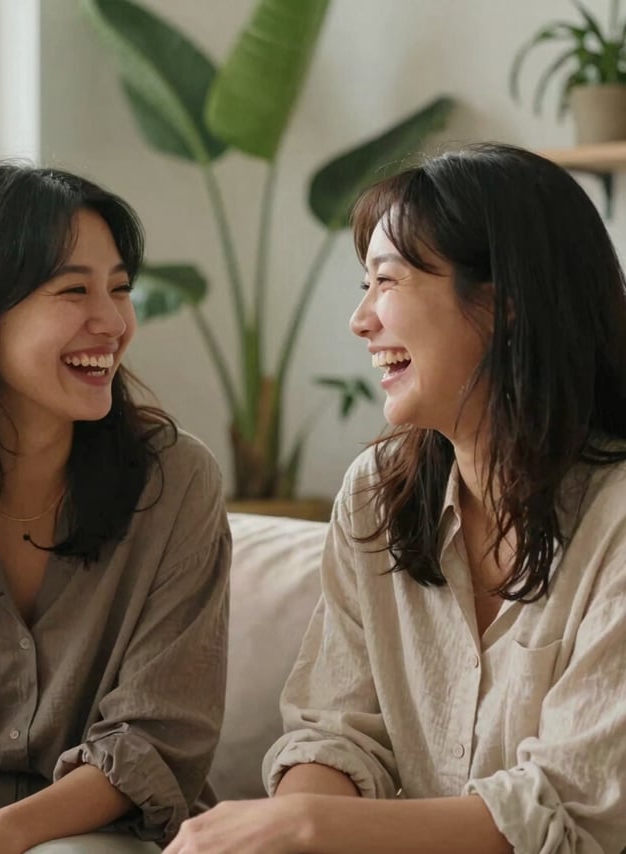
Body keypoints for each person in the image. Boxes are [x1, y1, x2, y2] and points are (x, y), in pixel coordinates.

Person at [163, 143, 626, 854]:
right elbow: (337, 732)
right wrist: (289, 839)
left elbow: (573, 810)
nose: (362, 321)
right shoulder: (378, 497)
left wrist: (306, 824)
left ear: (502, 308)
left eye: (386, 281)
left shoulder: (615, 520)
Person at [0, 163, 231, 853]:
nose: (113, 321)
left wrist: (2, 834)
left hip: (99, 826)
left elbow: (160, 732)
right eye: (73, 291)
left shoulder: (175, 482)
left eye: (120, 288)